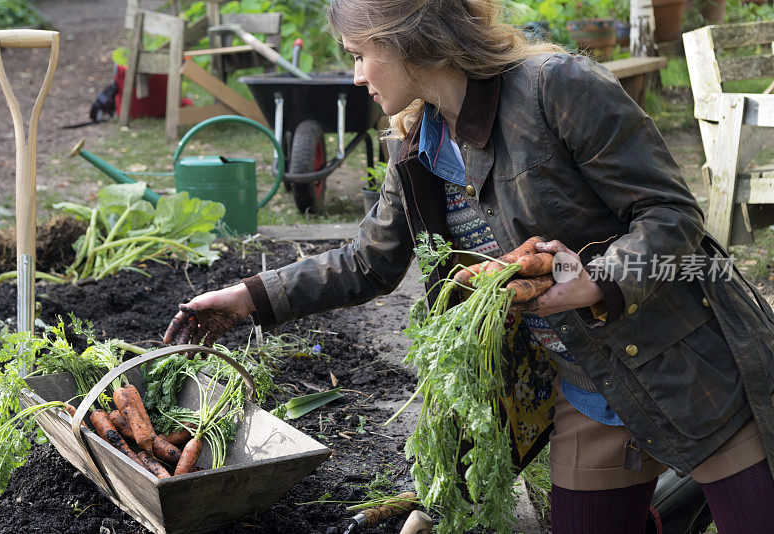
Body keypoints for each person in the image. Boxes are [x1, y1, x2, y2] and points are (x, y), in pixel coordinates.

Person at [164, 1, 774, 531]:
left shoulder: (554, 85)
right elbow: (366, 261)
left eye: (359, 54)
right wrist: (246, 298)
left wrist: (598, 280)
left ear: (408, 38)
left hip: (687, 368)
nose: (354, 76)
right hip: (589, 385)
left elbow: (670, 214)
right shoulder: (419, 144)